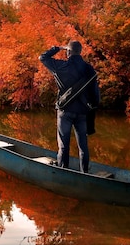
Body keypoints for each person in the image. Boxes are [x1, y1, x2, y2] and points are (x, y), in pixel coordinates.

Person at [39, 40, 100, 172]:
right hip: (83, 112)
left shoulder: (61, 66)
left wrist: (58, 48)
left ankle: (63, 172)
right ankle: (85, 173)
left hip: (65, 111)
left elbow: (43, 57)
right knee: (83, 146)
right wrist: (92, 107)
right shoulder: (89, 69)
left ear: (68, 52)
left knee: (63, 145)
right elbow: (95, 94)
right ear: (80, 52)